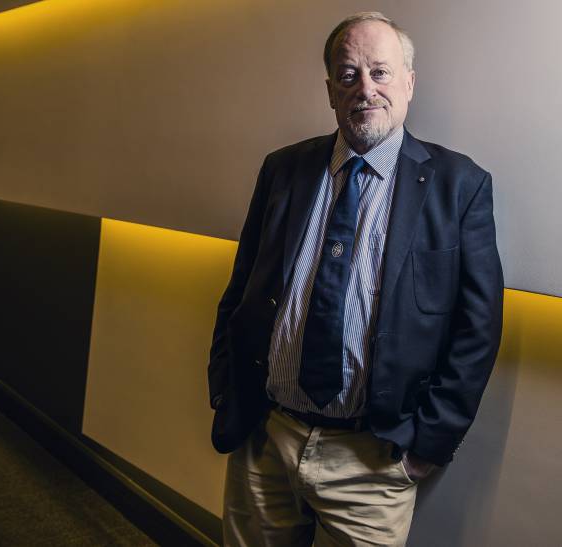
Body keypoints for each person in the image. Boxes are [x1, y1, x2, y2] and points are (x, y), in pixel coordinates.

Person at [207, 11, 503, 546]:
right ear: (330, 90)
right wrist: (226, 392)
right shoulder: (283, 170)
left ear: (409, 82)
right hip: (266, 440)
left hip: (374, 465)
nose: (364, 88)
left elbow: (476, 332)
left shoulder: (459, 187)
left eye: (380, 72)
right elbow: (242, 287)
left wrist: (425, 450)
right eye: (348, 75)